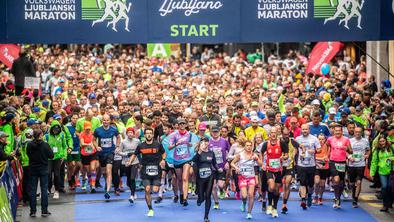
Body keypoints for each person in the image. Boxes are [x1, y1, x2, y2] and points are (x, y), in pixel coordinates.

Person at [127, 127, 166, 217]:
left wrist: (163, 160)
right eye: (147, 133)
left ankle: (155, 192)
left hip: (157, 170)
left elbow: (164, 153)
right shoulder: (141, 146)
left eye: (150, 133)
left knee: (155, 190)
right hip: (145, 170)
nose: (148, 135)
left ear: (152, 135)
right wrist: (130, 162)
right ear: (144, 135)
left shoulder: (158, 144)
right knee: (147, 189)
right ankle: (150, 209)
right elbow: (134, 154)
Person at [261, 127, 289, 218]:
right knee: (271, 186)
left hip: (279, 169)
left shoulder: (282, 143)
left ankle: (275, 208)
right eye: (272, 132)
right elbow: (261, 153)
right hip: (269, 169)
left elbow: (286, 154)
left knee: (276, 190)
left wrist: (284, 157)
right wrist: (262, 164)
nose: (273, 134)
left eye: (275, 132)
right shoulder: (266, 144)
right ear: (269, 134)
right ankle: (269, 204)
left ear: (277, 133)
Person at [231, 140, 262, 219]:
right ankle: (244, 203)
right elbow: (232, 163)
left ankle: (249, 213)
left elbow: (261, 164)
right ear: (244, 146)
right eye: (247, 145)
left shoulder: (254, 155)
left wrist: (257, 159)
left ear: (252, 147)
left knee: (251, 195)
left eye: (250, 146)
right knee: (244, 196)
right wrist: (236, 167)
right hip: (242, 178)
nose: (248, 147)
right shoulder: (240, 155)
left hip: (251, 177)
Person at [27, 129, 54, 217]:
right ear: (41, 135)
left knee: (33, 190)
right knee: (44, 190)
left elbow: (28, 154)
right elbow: (51, 155)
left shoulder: (30, 144)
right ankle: (44, 210)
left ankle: (33, 211)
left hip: (33, 168)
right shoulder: (45, 145)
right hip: (43, 168)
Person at [93, 114, 120, 200]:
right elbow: (93, 139)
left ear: (110, 121)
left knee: (109, 171)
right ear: (102, 121)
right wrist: (97, 146)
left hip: (110, 152)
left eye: (107, 120)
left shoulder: (114, 129)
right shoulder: (97, 130)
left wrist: (118, 146)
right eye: (104, 120)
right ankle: (106, 183)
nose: (106, 122)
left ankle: (107, 191)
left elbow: (118, 137)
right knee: (104, 172)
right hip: (101, 154)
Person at [193, 137, 220, 222]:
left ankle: (206, 217)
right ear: (201, 144)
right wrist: (199, 152)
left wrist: (218, 168)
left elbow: (214, 163)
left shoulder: (211, 153)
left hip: (210, 176)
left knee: (208, 195)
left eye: (206, 142)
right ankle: (200, 198)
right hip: (200, 177)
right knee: (201, 197)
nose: (204, 144)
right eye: (203, 142)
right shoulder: (198, 153)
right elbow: (193, 160)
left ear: (208, 143)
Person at [169, 118, 194, 206]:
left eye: (183, 123)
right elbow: (169, 147)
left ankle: (185, 198)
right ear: (178, 125)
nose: (182, 125)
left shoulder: (189, 134)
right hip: (177, 160)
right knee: (179, 179)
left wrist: (190, 144)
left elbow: (191, 144)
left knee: (185, 178)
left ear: (186, 125)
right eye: (180, 124)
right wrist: (176, 144)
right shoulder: (174, 135)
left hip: (186, 159)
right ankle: (181, 194)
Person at [295, 124, 321, 209]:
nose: (304, 131)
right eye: (303, 129)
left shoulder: (314, 139)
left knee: (310, 184)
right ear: (301, 130)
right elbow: (295, 151)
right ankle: (303, 199)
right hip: (301, 164)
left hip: (311, 165)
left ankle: (309, 195)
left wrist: (313, 151)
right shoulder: (298, 139)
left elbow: (319, 149)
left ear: (309, 130)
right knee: (302, 182)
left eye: (306, 129)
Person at [327, 124, 353, 209]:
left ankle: (338, 198)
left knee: (341, 183)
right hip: (333, 161)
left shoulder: (346, 139)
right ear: (333, 131)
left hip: (342, 162)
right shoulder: (330, 139)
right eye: (336, 130)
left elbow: (351, 151)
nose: (337, 132)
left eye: (339, 130)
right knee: (336, 179)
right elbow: (327, 147)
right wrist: (326, 156)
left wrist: (347, 149)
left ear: (342, 131)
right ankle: (336, 197)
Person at [208, 125, 230, 209]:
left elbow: (229, 152)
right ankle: (216, 202)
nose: (215, 133)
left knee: (220, 185)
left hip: (221, 167)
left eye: (216, 132)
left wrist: (227, 162)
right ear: (211, 133)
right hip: (212, 168)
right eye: (213, 132)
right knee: (213, 186)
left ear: (219, 132)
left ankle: (221, 190)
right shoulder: (209, 142)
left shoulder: (224, 141)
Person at [44, 119, 68, 199]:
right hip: (49, 158)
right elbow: (44, 147)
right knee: (48, 173)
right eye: (54, 129)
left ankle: (56, 190)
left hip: (58, 157)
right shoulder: (47, 136)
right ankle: (48, 188)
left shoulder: (62, 135)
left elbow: (65, 146)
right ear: (51, 129)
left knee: (57, 174)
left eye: (57, 129)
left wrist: (64, 156)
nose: (56, 131)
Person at [370, 134, 394, 212]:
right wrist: (372, 173)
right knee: (384, 187)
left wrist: (392, 158)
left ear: (386, 141)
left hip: (392, 170)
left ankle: (390, 202)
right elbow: (374, 162)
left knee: (391, 187)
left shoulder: (392, 148)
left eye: (383, 141)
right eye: (380, 141)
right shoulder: (377, 150)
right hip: (382, 171)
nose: (382, 143)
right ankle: (385, 205)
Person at [348, 126, 370, 208]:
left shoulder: (365, 141)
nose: (357, 133)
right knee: (352, 183)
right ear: (354, 132)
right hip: (352, 164)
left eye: (359, 132)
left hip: (361, 164)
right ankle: (353, 194)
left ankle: (355, 200)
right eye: (356, 131)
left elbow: (368, 150)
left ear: (362, 132)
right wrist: (350, 157)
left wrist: (367, 155)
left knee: (359, 182)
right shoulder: (350, 141)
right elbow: (346, 151)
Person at [117, 127, 140, 203]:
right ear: (126, 133)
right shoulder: (123, 142)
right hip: (125, 163)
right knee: (128, 181)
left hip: (134, 162)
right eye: (128, 132)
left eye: (131, 132)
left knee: (132, 178)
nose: (130, 134)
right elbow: (119, 152)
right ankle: (133, 191)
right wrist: (127, 154)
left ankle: (132, 195)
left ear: (133, 134)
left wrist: (140, 160)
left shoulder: (137, 141)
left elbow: (140, 151)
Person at [281, 127, 299, 213]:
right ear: (281, 134)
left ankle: (284, 204)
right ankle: (273, 201)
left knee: (287, 184)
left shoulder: (293, 141)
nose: (286, 136)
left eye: (287, 134)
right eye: (284, 134)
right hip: (279, 166)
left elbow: (301, 146)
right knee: (277, 187)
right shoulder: (278, 141)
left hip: (289, 166)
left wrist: (299, 151)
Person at [80, 121, 98, 193]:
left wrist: (94, 145)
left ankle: (93, 186)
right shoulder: (81, 134)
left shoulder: (93, 133)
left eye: (89, 128)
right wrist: (88, 144)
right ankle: (86, 181)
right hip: (84, 154)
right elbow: (81, 144)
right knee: (87, 171)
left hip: (92, 153)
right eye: (86, 128)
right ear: (84, 128)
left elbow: (95, 142)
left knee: (93, 168)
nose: (88, 130)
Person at [313, 134, 330, 205]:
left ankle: (320, 197)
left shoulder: (327, 147)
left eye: (322, 139)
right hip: (316, 167)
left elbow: (327, 158)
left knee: (322, 184)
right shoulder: (315, 147)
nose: (321, 141)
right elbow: (312, 157)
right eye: (319, 139)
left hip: (324, 167)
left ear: (325, 140)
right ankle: (315, 196)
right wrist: (320, 159)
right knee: (317, 182)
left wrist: (326, 159)